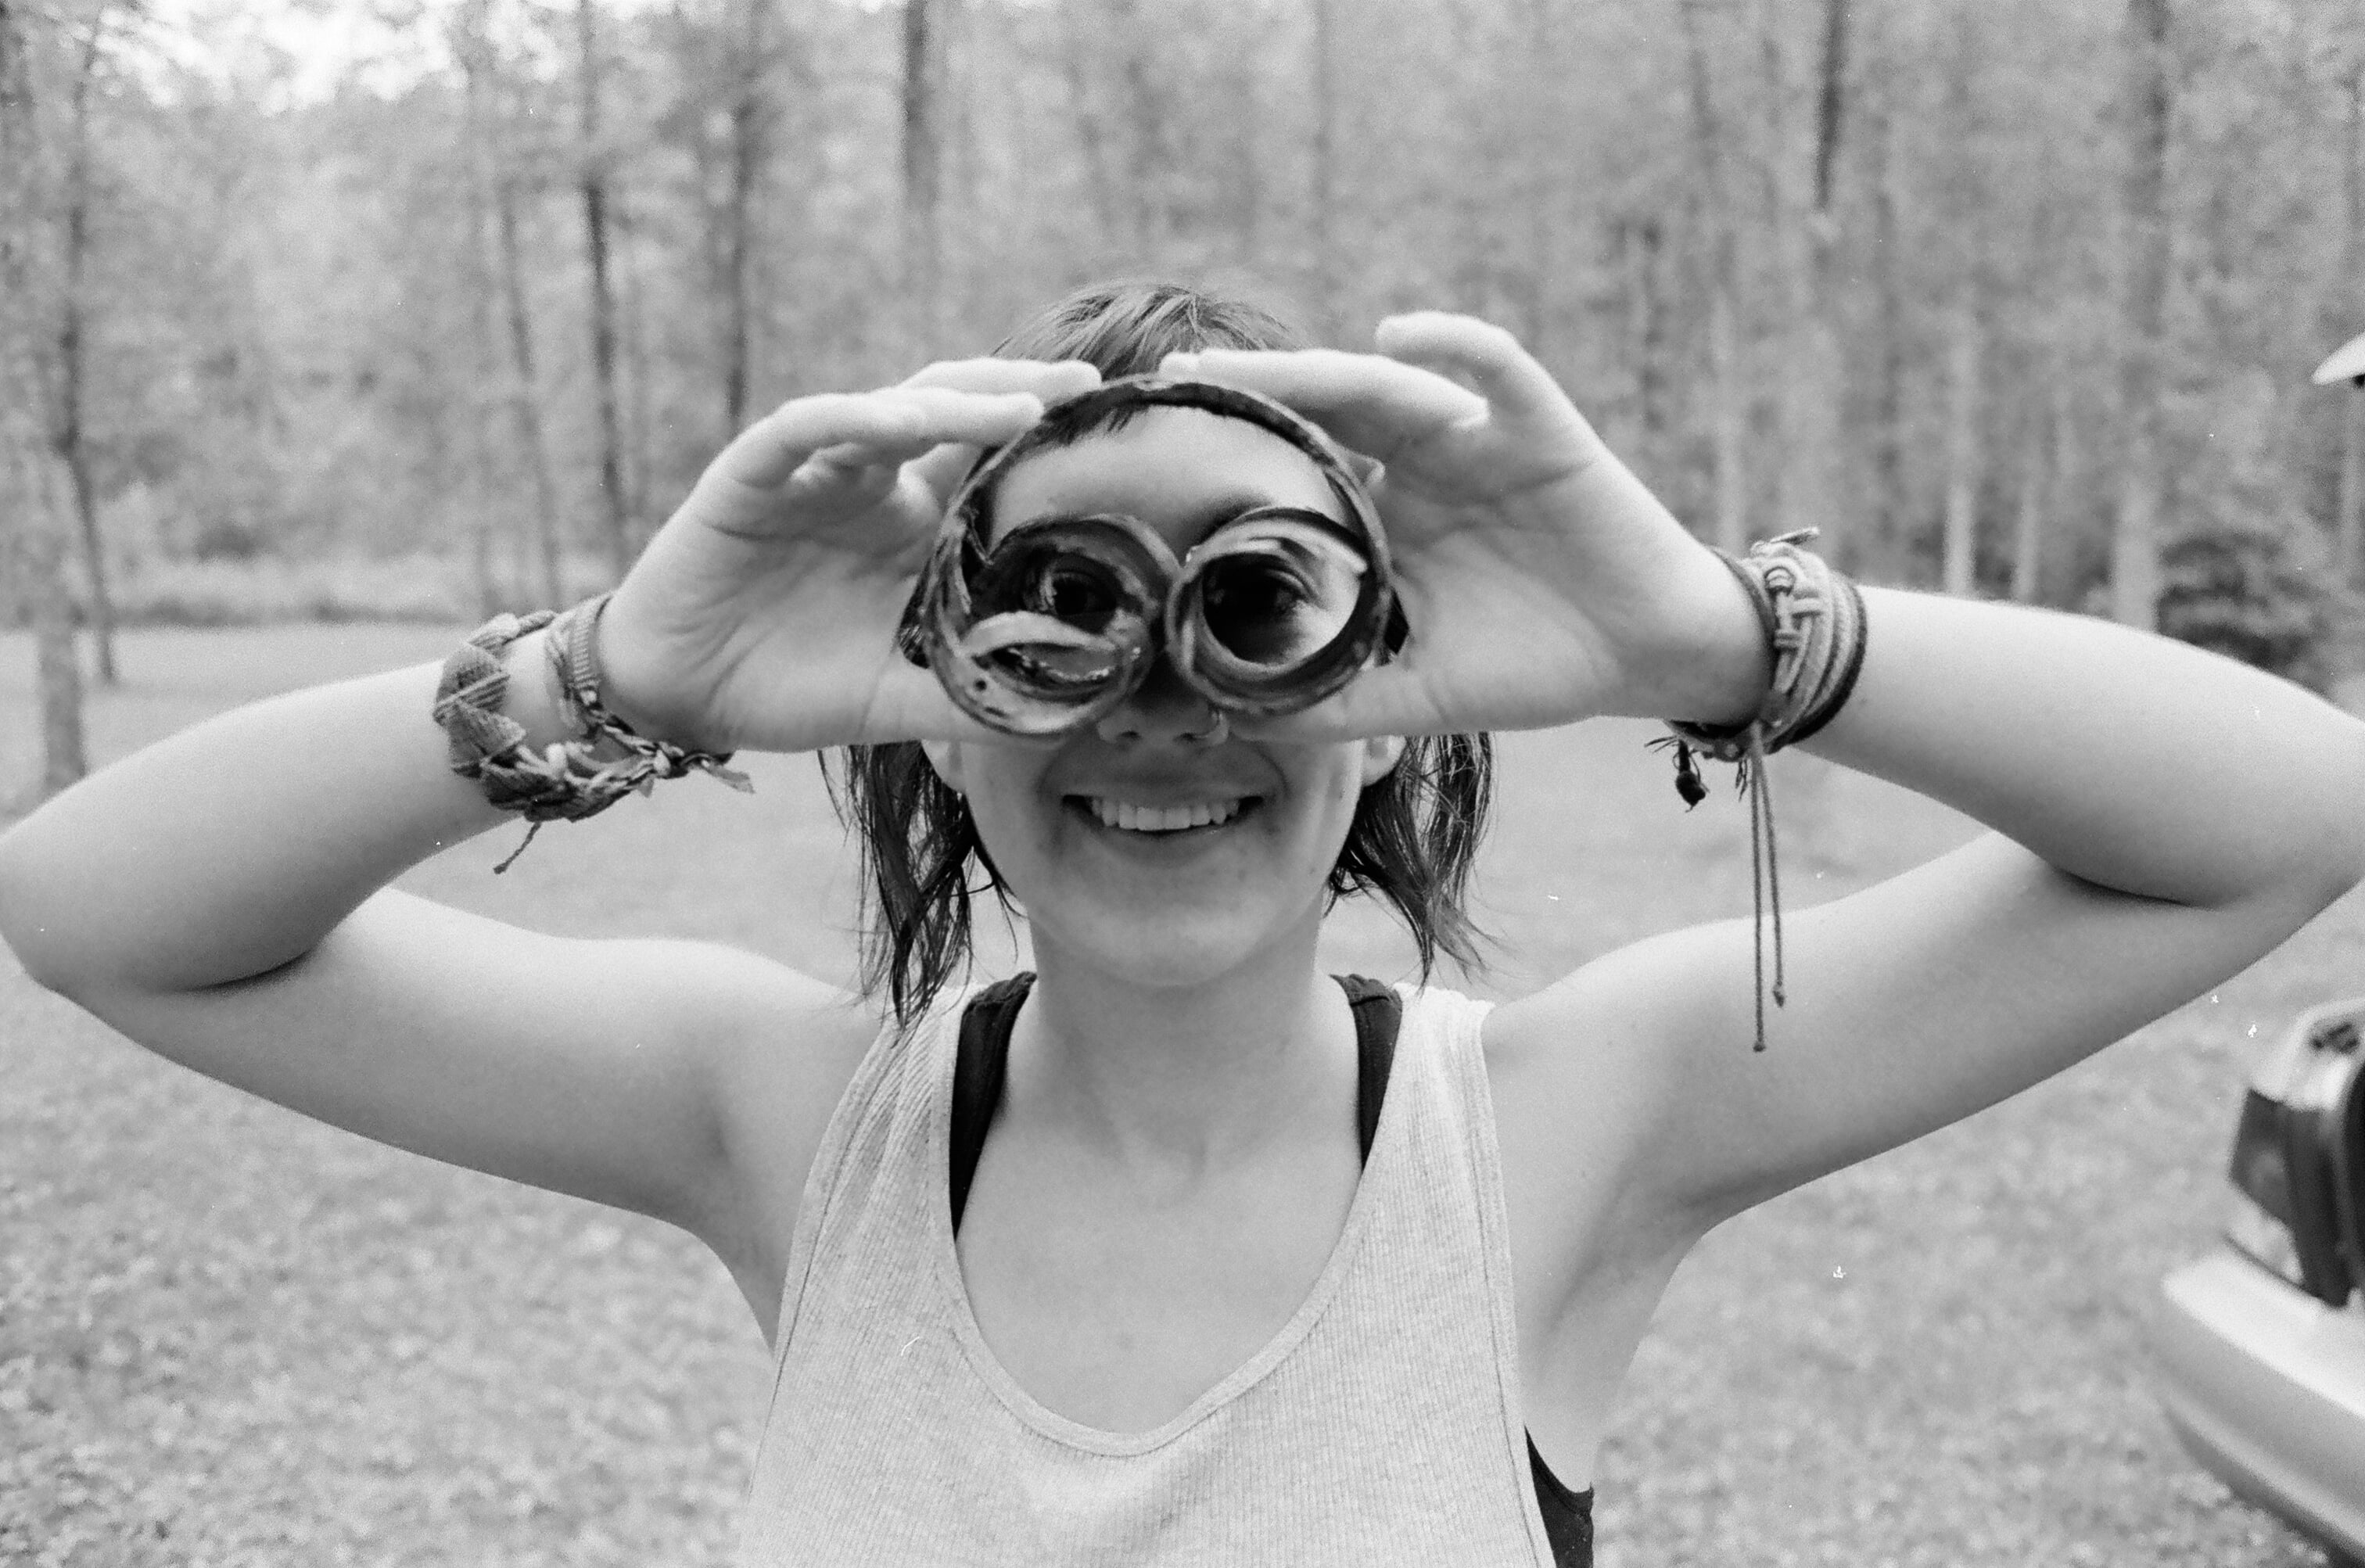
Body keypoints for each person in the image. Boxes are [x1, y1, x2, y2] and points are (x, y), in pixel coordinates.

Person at [2, 279, 2360, 1567]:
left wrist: (1706, 636)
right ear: (938, 714)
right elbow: (98, 908)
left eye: (1263, 615)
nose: (1158, 706)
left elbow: (2284, 816)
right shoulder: (784, 1120)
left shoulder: (1562, 1132)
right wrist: (614, 671)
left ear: (1389, 714)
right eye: (1049, 618)